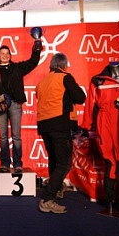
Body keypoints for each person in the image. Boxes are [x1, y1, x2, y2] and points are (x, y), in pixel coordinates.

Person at [81, 61, 119, 211]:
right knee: (110, 160)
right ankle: (110, 200)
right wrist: (86, 126)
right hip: (104, 121)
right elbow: (90, 104)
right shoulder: (98, 80)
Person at [36, 53, 86, 213]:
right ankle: (47, 199)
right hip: (60, 124)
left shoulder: (42, 82)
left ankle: (56, 189)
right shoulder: (65, 77)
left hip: (44, 125)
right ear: (64, 65)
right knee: (64, 163)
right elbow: (80, 97)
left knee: (54, 159)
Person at [0, 42, 42, 173]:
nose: (5, 56)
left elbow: (32, 62)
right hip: (1, 106)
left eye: (7, 53)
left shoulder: (18, 68)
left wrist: (36, 49)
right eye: (2, 54)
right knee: (3, 136)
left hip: (15, 104)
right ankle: (5, 164)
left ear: (10, 55)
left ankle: (18, 163)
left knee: (16, 136)